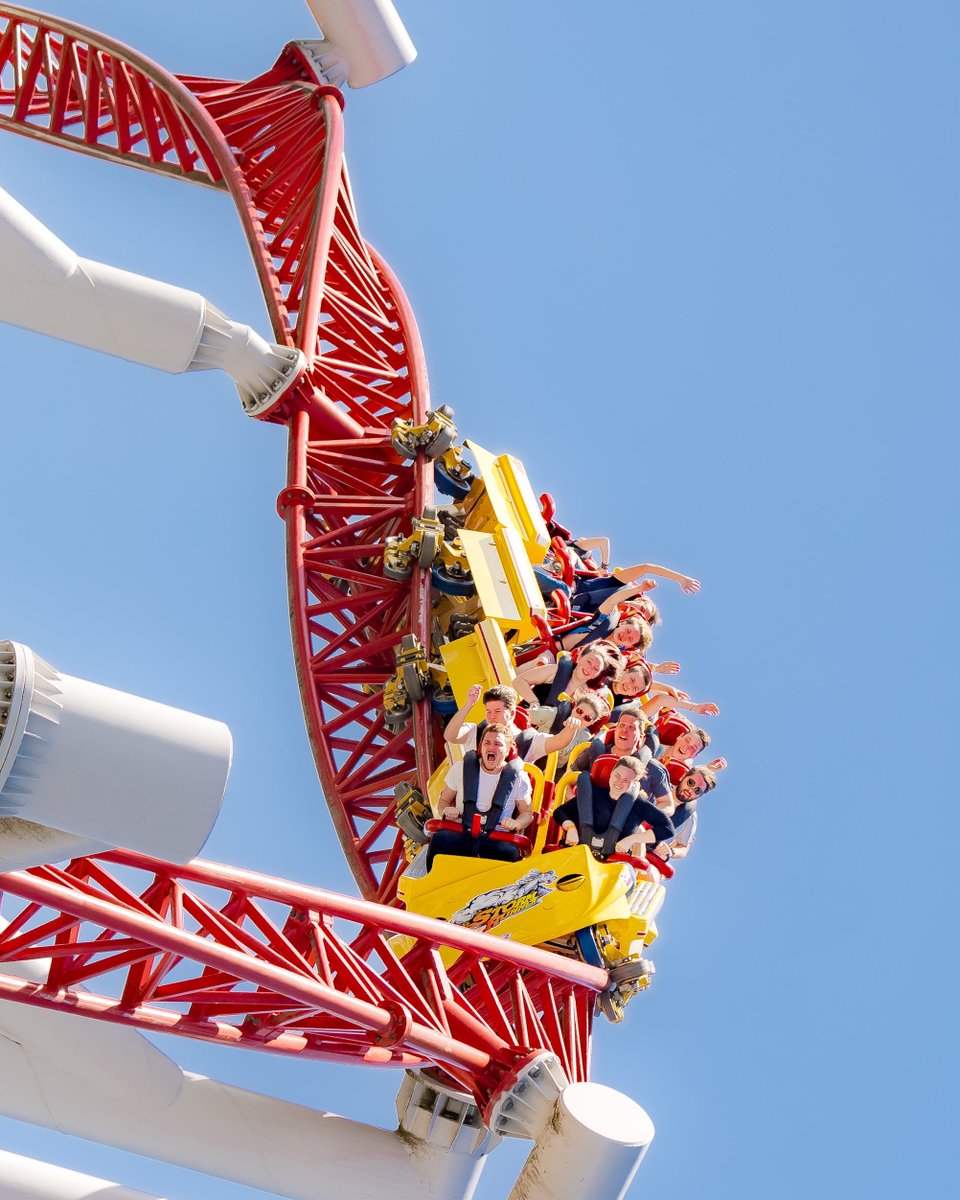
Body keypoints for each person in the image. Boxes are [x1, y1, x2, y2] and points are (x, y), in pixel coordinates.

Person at [427, 724, 534, 870]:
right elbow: (444, 801)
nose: (491, 747)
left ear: (508, 749)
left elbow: (527, 813)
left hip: (496, 837)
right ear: (481, 747)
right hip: (462, 831)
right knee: (439, 840)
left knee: (510, 853)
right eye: (487, 743)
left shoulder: (519, 777)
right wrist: (446, 810)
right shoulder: (460, 769)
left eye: (497, 744)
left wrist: (517, 824)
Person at [552, 754, 675, 860]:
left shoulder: (638, 804)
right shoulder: (595, 795)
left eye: (626, 780)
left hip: (614, 865)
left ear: (634, 784)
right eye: (617, 776)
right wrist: (571, 827)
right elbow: (560, 812)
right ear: (611, 774)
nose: (620, 782)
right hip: (579, 856)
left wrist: (632, 839)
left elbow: (668, 828)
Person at [444, 683, 583, 762]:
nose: (491, 716)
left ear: (511, 713)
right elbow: (450, 736)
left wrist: (572, 727)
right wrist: (469, 704)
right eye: (488, 711)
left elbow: (559, 742)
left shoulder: (528, 740)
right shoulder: (477, 731)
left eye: (497, 711)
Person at [511, 643, 622, 731]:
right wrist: (534, 702)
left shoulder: (587, 697)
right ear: (579, 658)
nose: (590, 668)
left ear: (596, 675)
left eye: (595, 669)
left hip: (544, 737)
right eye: (589, 662)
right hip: (521, 718)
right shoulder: (555, 671)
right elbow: (519, 681)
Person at [571, 704, 659, 772]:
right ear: (615, 730)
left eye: (631, 727)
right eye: (622, 725)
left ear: (641, 736)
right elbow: (566, 781)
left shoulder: (648, 766)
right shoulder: (594, 751)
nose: (624, 730)